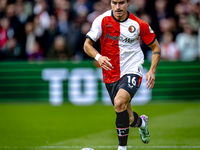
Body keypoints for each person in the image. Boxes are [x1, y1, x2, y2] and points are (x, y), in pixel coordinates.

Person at [83, 0, 161, 150]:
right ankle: (142, 123)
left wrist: (151, 70)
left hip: (132, 68)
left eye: (121, 3)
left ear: (128, 3)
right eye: (114, 3)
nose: (118, 7)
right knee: (129, 118)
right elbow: (87, 45)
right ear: (110, 3)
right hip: (110, 72)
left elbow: (155, 46)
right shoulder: (101, 20)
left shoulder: (139, 24)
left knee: (119, 102)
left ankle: (122, 148)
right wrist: (99, 57)